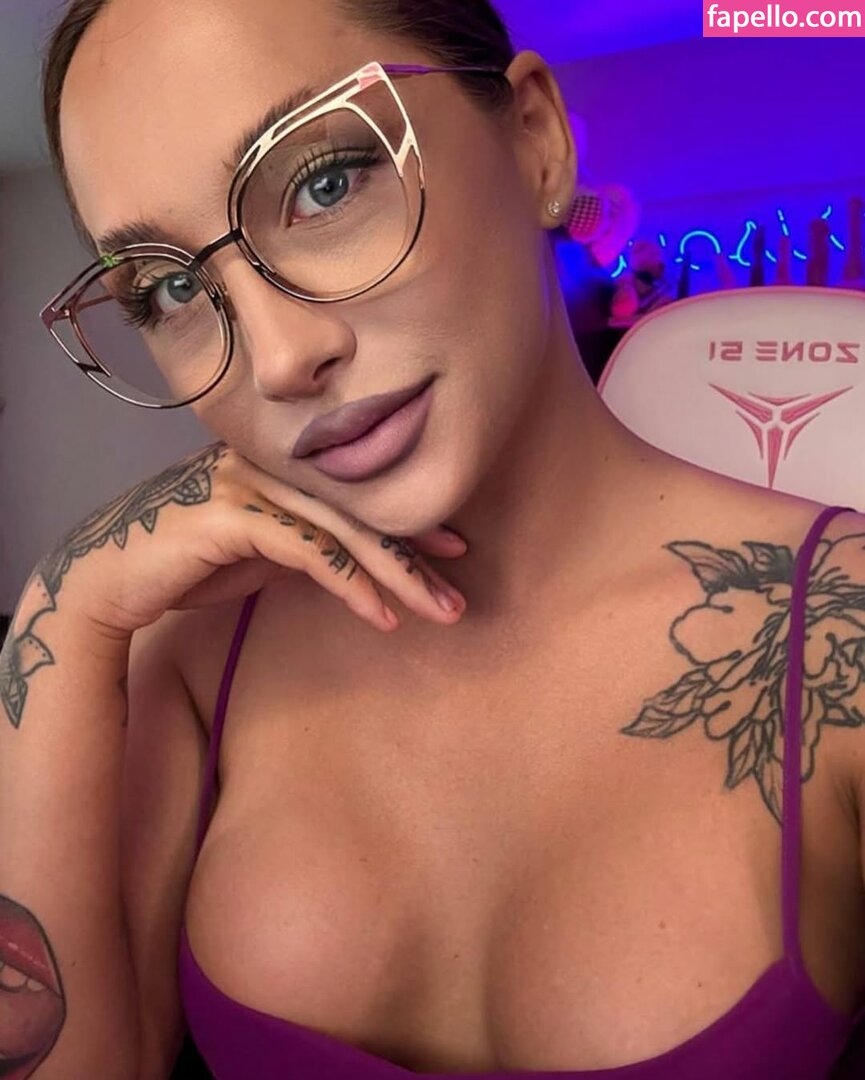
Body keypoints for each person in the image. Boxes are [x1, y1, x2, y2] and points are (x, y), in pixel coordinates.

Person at [2, 1, 865, 1077]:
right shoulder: (189, 654)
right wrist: (62, 614)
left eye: (325, 183)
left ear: (536, 142)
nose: (277, 357)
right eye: (170, 288)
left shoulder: (836, 637)